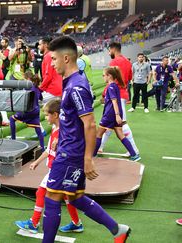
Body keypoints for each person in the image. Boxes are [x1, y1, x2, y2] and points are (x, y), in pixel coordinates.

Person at [41, 36, 130, 243]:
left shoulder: (76, 86)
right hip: (69, 148)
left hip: (70, 154)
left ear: (65, 58)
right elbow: (72, 118)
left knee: (52, 198)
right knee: (75, 197)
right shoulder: (72, 81)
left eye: (53, 59)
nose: (51, 64)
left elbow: (89, 124)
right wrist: (60, 136)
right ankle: (118, 230)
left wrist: (87, 158)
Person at [15, 99, 84, 234]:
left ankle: (34, 222)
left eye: (47, 115)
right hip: (60, 169)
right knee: (67, 196)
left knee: (41, 192)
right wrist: (36, 162)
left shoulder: (63, 132)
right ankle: (77, 223)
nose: (45, 117)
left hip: (59, 169)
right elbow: (48, 150)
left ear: (56, 115)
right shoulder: (55, 129)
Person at [99, 42, 139, 155]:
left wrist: (104, 93)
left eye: (109, 50)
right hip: (122, 94)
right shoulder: (127, 61)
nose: (108, 52)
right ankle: (100, 146)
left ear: (112, 49)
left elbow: (111, 81)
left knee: (122, 123)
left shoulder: (114, 62)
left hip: (116, 95)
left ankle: (134, 150)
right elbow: (130, 78)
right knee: (110, 123)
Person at [94, 67, 141, 161]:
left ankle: (93, 154)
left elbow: (114, 101)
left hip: (109, 115)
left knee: (98, 134)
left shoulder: (110, 87)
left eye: (103, 75)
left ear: (109, 76)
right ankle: (134, 155)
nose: (103, 77)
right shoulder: (115, 85)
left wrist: (117, 115)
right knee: (120, 135)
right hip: (114, 115)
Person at [9, 71, 45, 152]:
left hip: (27, 111)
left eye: (24, 79)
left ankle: (13, 139)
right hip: (36, 112)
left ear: (28, 79)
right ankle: (42, 148)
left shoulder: (27, 87)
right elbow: (41, 98)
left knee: (12, 119)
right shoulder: (37, 88)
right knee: (38, 129)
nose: (23, 81)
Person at [38, 36, 63, 104]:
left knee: (34, 101)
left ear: (45, 45)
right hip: (58, 88)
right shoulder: (52, 54)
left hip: (53, 89)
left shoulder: (48, 56)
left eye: (40, 44)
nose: (38, 46)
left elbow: (48, 75)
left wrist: (40, 88)